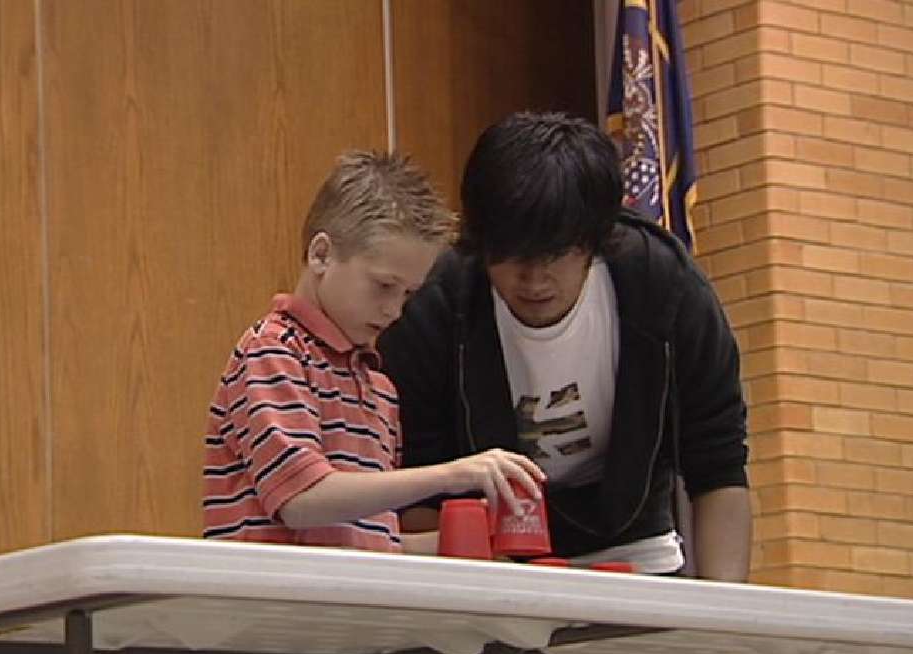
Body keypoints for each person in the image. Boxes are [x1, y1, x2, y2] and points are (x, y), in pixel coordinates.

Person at [378, 112, 751, 581]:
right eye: (512, 256)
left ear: (596, 241)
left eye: (555, 255)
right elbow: (418, 474)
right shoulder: (437, 304)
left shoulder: (664, 286)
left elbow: (718, 465)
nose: (534, 280)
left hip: (636, 548)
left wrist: (723, 619)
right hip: (489, 561)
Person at [202, 150, 545, 559]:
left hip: (350, 611)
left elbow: (371, 538)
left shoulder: (378, 386)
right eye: (384, 286)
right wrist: (450, 474)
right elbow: (300, 499)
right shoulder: (274, 351)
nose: (395, 311)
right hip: (272, 614)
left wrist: (471, 538)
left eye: (408, 294)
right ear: (322, 255)